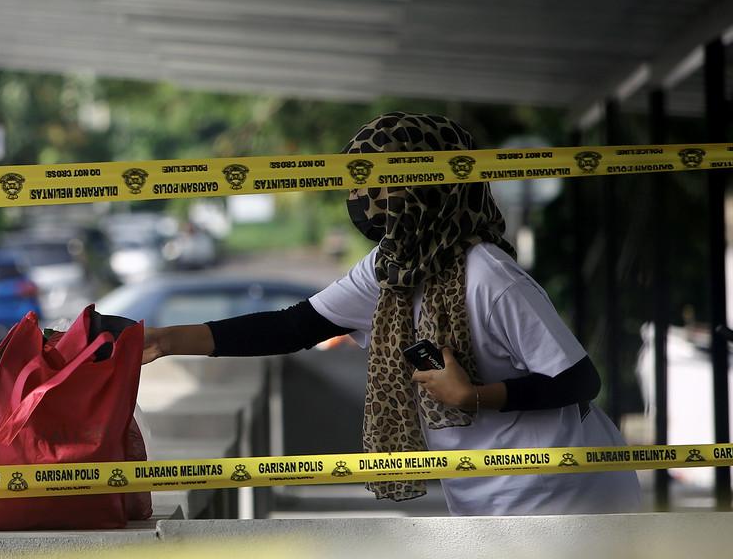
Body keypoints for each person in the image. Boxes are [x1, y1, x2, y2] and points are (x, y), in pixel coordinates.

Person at [142, 112, 640, 516]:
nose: (361, 199)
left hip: (567, 498)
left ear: (425, 187)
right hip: (485, 498)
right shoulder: (391, 268)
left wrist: (474, 395)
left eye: (377, 183)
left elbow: (580, 379)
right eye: (357, 183)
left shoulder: (490, 276)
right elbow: (294, 326)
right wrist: (166, 341)